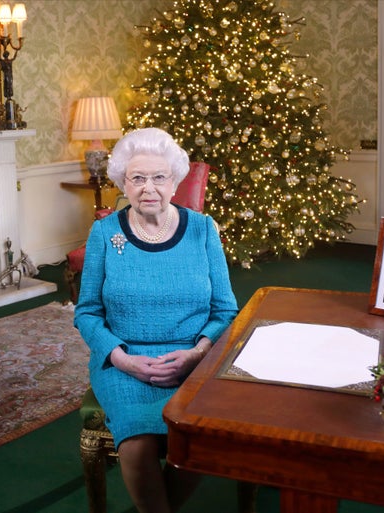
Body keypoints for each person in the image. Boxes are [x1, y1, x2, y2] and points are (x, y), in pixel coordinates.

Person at [74, 127, 239, 513]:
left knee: (203, 435)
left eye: (159, 177)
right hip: (126, 364)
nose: (149, 188)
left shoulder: (202, 230)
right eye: (138, 178)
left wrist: (197, 354)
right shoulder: (104, 233)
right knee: (137, 441)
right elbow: (87, 312)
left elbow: (226, 310)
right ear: (123, 183)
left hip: (193, 361)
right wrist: (120, 357)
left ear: (175, 181)